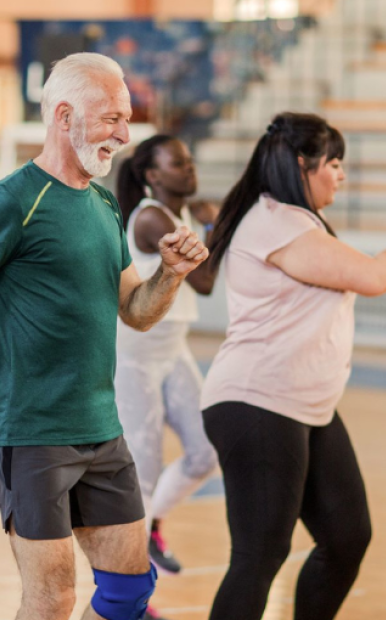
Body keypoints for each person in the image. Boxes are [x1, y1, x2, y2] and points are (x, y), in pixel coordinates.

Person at [0, 53, 209, 620]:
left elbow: (136, 312)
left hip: (101, 428)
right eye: (112, 119)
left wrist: (170, 273)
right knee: (52, 602)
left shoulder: (101, 203)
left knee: (128, 592)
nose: (124, 134)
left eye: (127, 119)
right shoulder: (10, 201)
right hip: (31, 433)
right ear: (65, 115)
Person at [201, 111, 375, 620]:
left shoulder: (299, 221)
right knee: (260, 554)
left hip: (307, 405)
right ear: (304, 164)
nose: (340, 175)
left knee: (347, 538)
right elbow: (372, 275)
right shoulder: (274, 220)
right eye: (334, 163)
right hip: (257, 402)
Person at [115, 135, 219, 582]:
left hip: (172, 347)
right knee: (144, 471)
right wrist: (215, 225)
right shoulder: (153, 217)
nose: (190, 168)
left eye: (190, 158)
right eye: (178, 162)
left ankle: (153, 524)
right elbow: (206, 281)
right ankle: (134, 596)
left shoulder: (175, 214)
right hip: (136, 352)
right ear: (153, 175)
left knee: (206, 451)